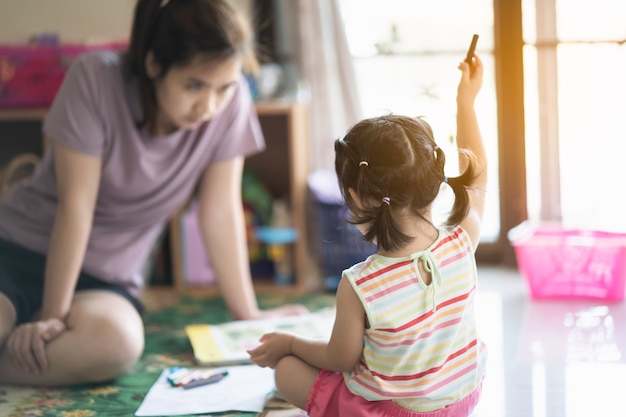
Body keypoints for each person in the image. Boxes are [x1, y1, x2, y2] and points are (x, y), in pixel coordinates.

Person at [0, 0, 306, 387]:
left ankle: (13, 356)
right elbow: (77, 208)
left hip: (104, 277)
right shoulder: (94, 78)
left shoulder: (231, 105)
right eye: (194, 85)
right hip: (17, 250)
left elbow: (220, 212)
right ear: (153, 65)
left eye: (223, 88)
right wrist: (53, 318)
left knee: (117, 343)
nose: (208, 106)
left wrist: (247, 313)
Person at [248, 54, 488, 416]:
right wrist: (465, 103)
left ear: (357, 199)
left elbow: (340, 358)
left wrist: (291, 343)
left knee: (286, 371)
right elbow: (478, 175)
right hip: (460, 402)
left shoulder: (360, 284)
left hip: (393, 413)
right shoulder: (462, 239)